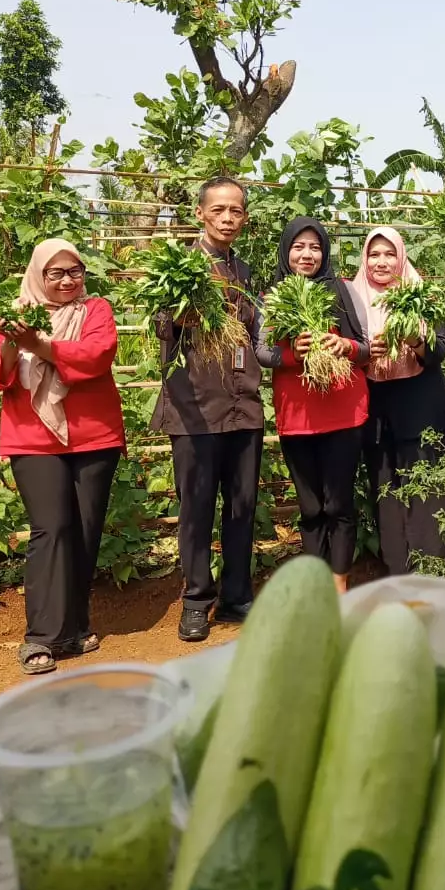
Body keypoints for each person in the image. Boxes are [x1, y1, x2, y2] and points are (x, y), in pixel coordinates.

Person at [0, 240, 125, 674]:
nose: (66, 280)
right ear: (38, 275)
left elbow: (97, 355)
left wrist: (39, 345)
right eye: (55, 273)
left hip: (93, 436)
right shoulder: (17, 312)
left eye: (74, 271)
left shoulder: (95, 309)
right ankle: (40, 637)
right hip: (32, 438)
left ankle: (74, 627)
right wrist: (11, 341)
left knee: (84, 529)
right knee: (51, 527)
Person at [151, 176, 264, 643]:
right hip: (195, 408)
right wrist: (178, 317)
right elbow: (160, 328)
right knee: (196, 508)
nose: (227, 218)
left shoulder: (246, 272)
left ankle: (237, 595)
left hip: (243, 407)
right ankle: (197, 600)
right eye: (218, 210)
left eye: (236, 210)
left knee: (241, 505)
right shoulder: (180, 267)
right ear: (201, 213)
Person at [257, 217, 369, 594]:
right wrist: (290, 355)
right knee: (310, 508)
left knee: (338, 503)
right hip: (298, 415)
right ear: (286, 250)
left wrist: (347, 348)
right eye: (299, 247)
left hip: (343, 411)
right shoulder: (271, 297)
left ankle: (338, 584)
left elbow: (366, 347)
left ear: (325, 252)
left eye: (315, 247)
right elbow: (261, 351)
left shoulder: (342, 290)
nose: (307, 255)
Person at [352, 228, 445, 575]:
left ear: (402, 257)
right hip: (375, 411)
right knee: (386, 494)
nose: (381, 261)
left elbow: (440, 348)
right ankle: (398, 573)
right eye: (374, 254)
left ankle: (432, 574)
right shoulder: (351, 298)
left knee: (427, 490)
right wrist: (364, 354)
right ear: (364, 259)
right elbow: (342, 350)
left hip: (419, 406)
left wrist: (415, 338)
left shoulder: (420, 293)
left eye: (389, 254)